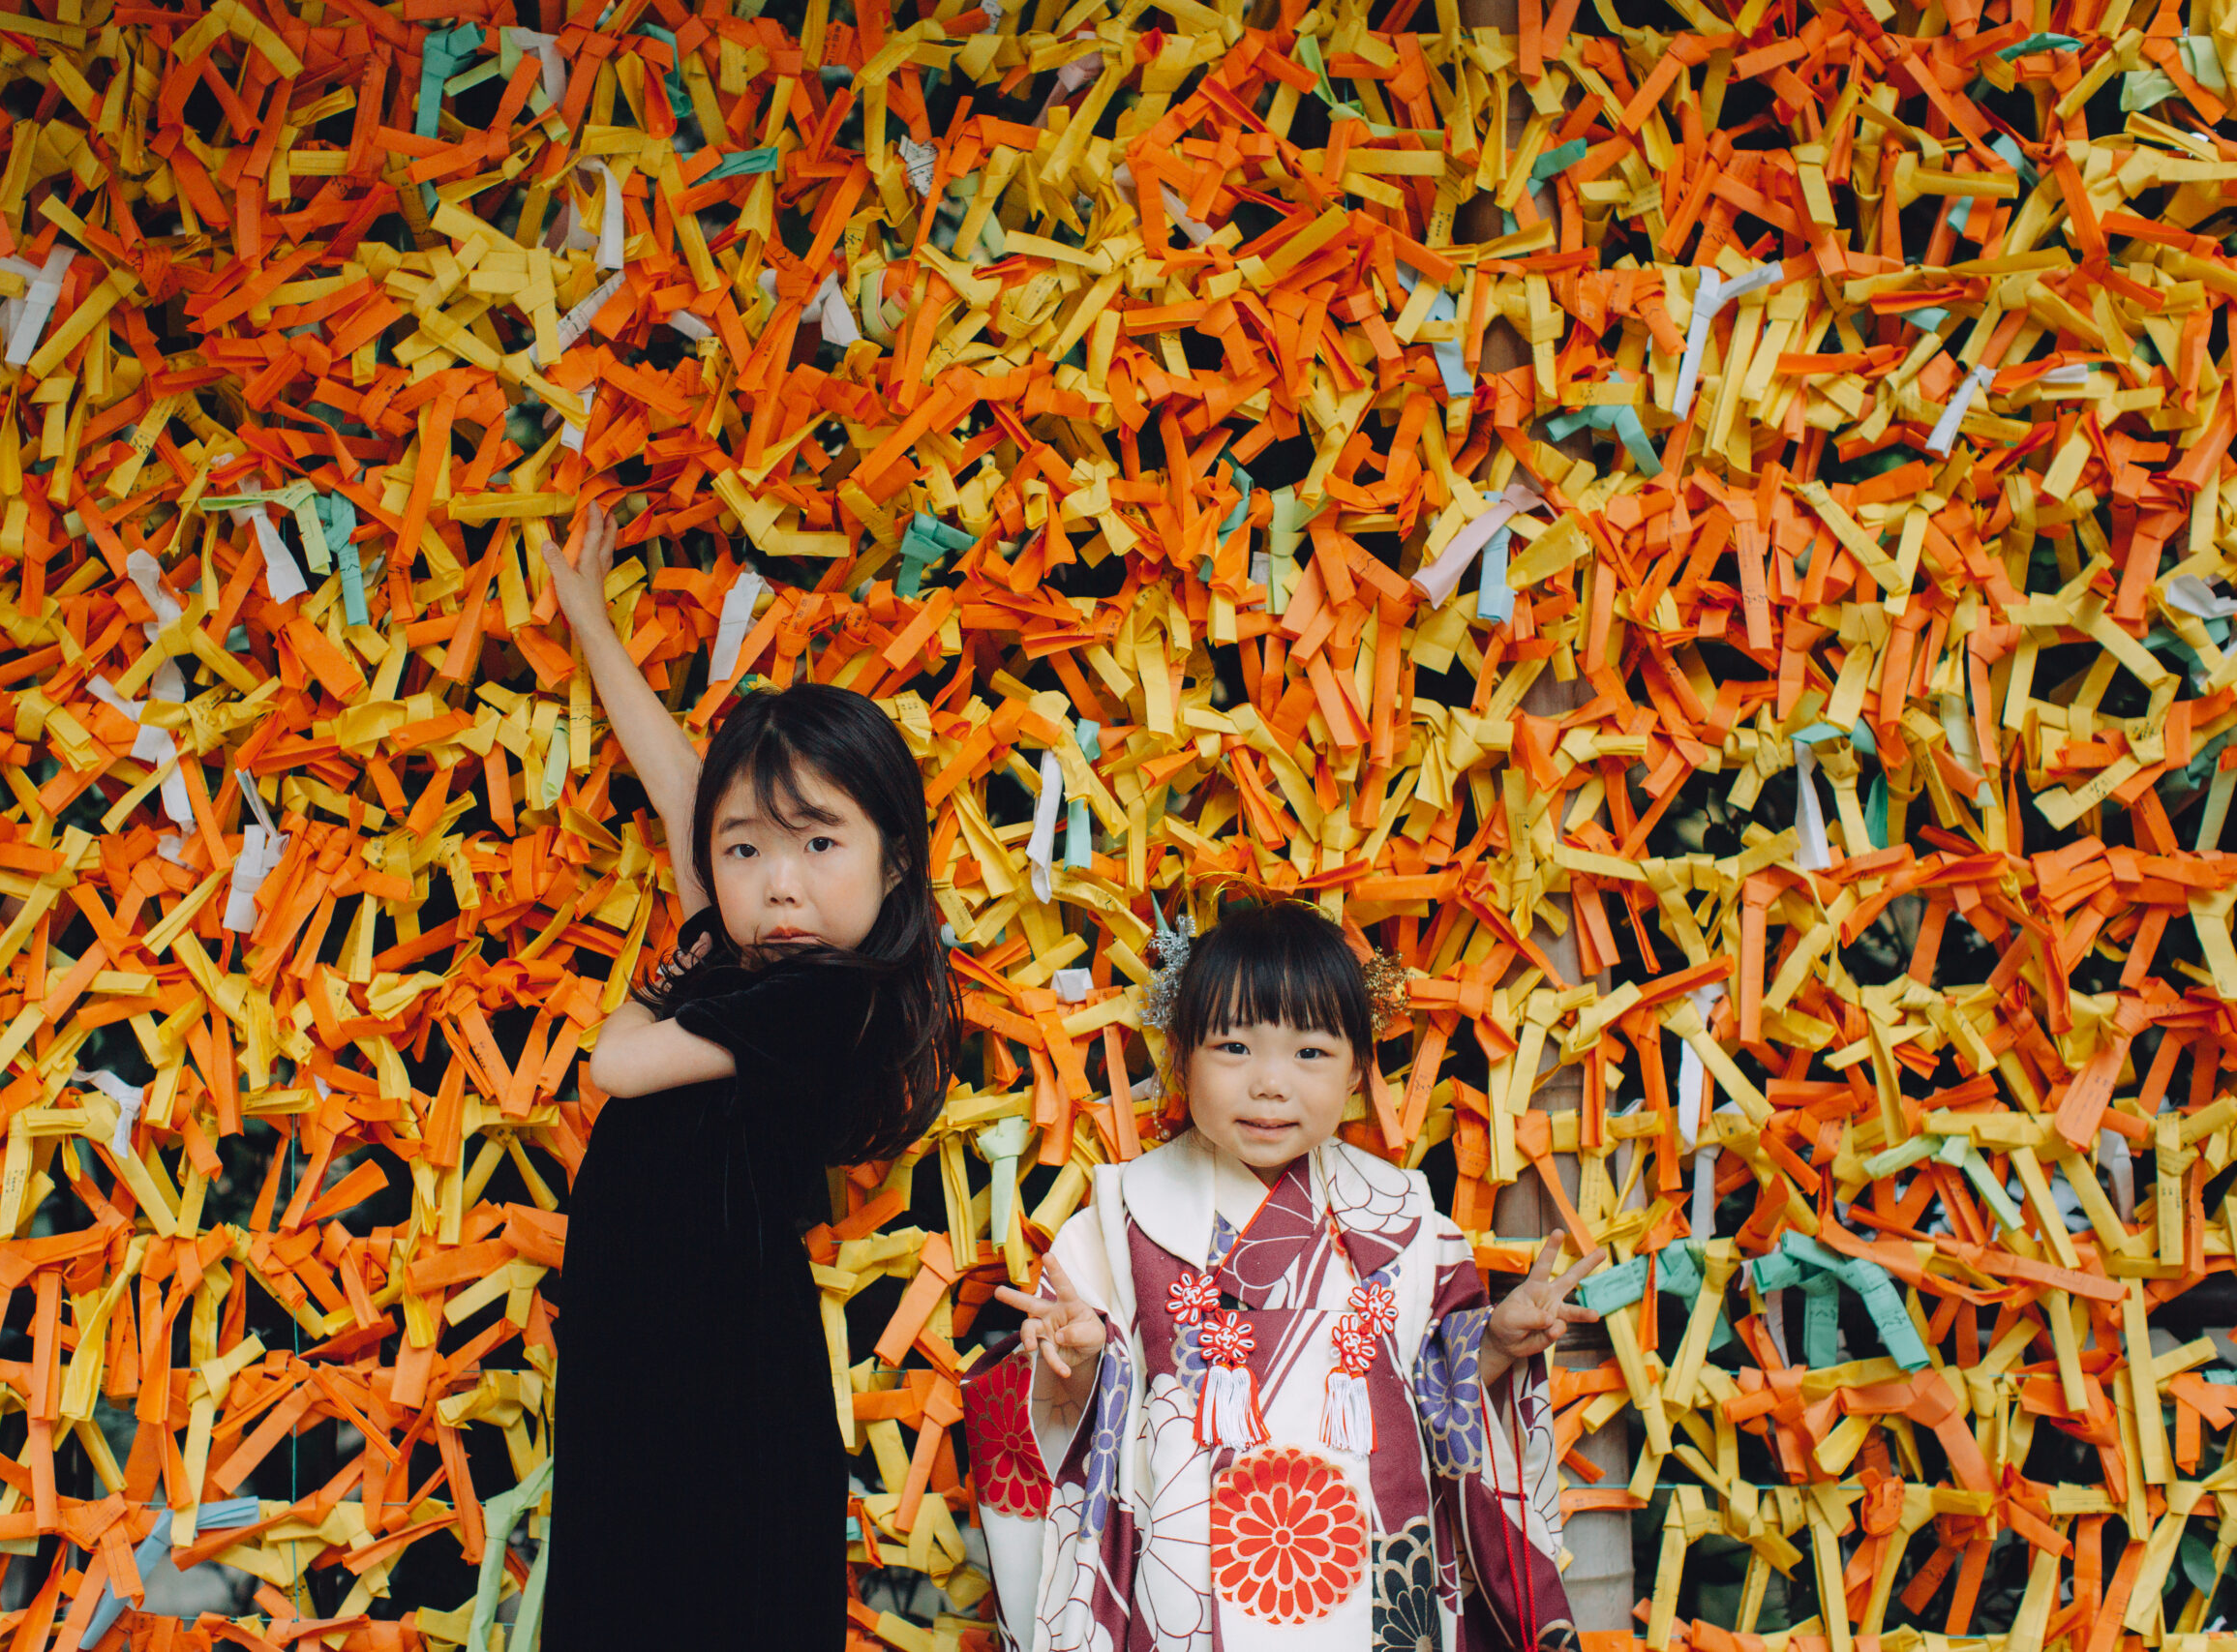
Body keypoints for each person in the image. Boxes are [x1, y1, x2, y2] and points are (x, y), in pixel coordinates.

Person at [539, 503, 959, 1649]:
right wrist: (591, 622)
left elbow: (613, 1063)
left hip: (710, 1358)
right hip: (651, 1340)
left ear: (894, 861)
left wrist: (684, 949)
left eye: (819, 845)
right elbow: (687, 790)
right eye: (749, 852)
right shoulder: (754, 960)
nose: (779, 885)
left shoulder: (822, 997)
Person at [965, 900, 1601, 1652]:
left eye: (1310, 1052)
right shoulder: (1119, 1216)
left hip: (1371, 1571)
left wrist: (1492, 1342)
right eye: (1234, 1046)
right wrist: (1077, 1360)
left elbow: (1439, 1389)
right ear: (1180, 1056)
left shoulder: (1403, 1215)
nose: (1270, 1083)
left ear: (1360, 1069)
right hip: (1186, 1582)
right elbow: (1066, 1420)